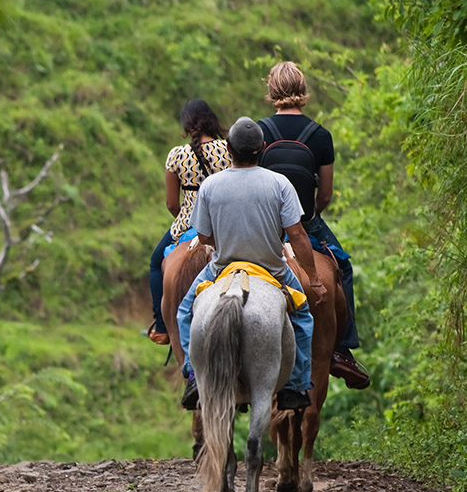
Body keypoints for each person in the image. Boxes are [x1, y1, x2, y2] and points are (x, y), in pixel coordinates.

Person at [177, 117, 327, 412]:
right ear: (263, 148)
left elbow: (205, 236)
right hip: (272, 270)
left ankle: (194, 376)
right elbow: (296, 234)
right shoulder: (279, 184)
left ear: (229, 149)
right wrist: (314, 279)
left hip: (222, 268)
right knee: (303, 317)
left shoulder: (210, 185)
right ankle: (295, 385)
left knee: (184, 312)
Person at [258, 61, 369, 389]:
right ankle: (342, 351)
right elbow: (326, 194)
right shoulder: (320, 135)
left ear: (272, 89)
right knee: (344, 268)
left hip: (267, 228)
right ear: (303, 90)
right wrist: (308, 215)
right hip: (306, 223)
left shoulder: (259, 132)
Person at [147, 99, 231, 344]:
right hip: (223, 225)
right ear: (211, 120)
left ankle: (162, 327)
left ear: (187, 125)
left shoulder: (177, 155)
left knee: (155, 263)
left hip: (188, 224)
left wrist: (187, 220)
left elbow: (172, 204)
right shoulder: (228, 149)